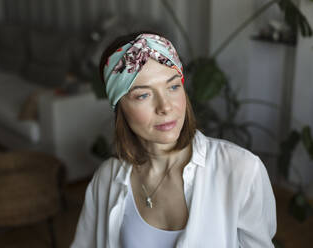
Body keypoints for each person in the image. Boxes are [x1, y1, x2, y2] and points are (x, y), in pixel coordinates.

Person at [70, 32, 276, 248]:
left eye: (173, 86)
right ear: (119, 107)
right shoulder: (107, 179)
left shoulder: (241, 170)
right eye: (143, 95)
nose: (165, 107)